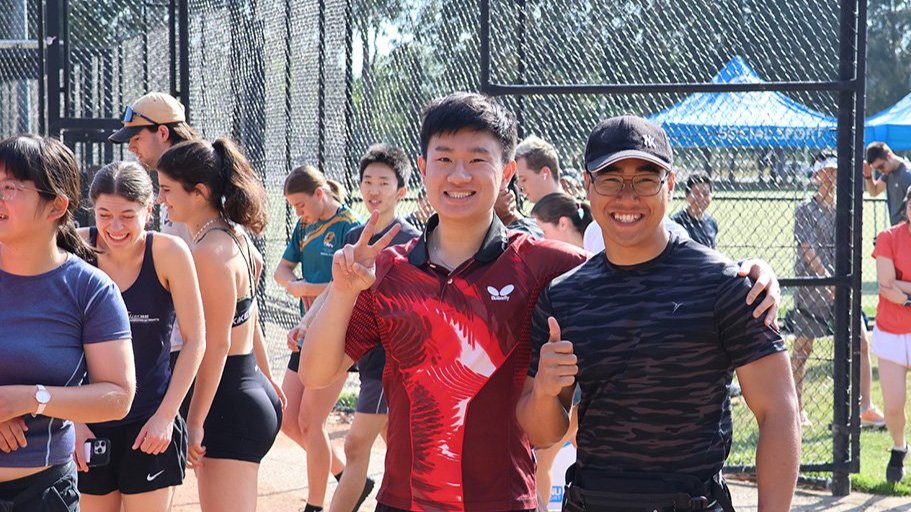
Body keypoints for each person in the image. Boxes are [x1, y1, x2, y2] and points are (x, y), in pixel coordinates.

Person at [299, 94, 781, 511]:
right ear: (423, 168)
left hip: (506, 500)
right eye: (443, 159)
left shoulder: (546, 265)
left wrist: (750, 271)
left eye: (478, 159)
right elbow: (318, 375)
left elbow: (629, 257)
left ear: (508, 172)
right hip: (404, 500)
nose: (459, 174)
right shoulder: (388, 269)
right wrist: (342, 291)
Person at [518, 116, 800, 512]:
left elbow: (779, 411)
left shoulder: (728, 285)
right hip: (592, 500)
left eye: (645, 180)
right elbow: (542, 433)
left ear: (669, 184)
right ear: (587, 185)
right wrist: (546, 392)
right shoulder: (564, 296)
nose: (627, 197)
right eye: (611, 180)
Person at [0, 134, 135, 510]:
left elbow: (118, 397)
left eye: (9, 187)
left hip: (44, 493)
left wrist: (29, 399)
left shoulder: (90, 289)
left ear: (56, 205)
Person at [289, 144, 421, 512]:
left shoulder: (413, 241)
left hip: (391, 361)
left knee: (356, 446)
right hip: (365, 357)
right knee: (400, 451)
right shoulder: (354, 236)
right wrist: (306, 323)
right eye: (368, 181)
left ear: (401, 190)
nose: (374, 190)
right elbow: (336, 289)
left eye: (384, 182)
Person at [156, 138, 283, 512]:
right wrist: (266, 376)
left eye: (167, 190)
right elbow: (249, 316)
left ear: (199, 192)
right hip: (245, 387)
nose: (161, 199)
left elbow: (217, 344)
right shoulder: (233, 234)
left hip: (227, 403)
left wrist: (195, 422)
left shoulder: (208, 252)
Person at [73, 162, 205, 512]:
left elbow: (196, 339)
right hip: (89, 421)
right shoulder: (76, 249)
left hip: (149, 420)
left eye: (127, 216)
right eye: (104, 215)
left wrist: (166, 416)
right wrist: (73, 421)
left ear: (149, 210)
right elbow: (56, 340)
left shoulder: (169, 253)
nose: (115, 227)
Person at [273, 165, 359, 512]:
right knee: (287, 417)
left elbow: (348, 284)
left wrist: (307, 288)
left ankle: (315, 505)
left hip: (338, 333)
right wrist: (295, 285)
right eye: (293, 206)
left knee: (311, 422)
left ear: (320, 194)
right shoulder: (305, 225)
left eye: (300, 204)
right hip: (307, 329)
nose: (298, 212)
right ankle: (349, 477)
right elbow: (281, 271)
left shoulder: (349, 226)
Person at [108, 91, 202, 401]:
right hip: (181, 343)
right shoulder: (172, 182)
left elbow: (240, 262)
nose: (130, 147)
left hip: (196, 349)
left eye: (136, 137)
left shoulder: (194, 184)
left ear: (163, 132)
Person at [792, 155, 884, 428]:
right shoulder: (805, 209)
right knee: (803, 348)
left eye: (834, 171)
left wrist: (842, 281)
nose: (831, 177)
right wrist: (828, 280)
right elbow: (807, 248)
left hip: (842, 287)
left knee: (862, 342)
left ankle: (865, 407)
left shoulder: (845, 209)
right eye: (826, 172)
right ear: (815, 176)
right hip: (812, 287)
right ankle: (796, 409)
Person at [871, 187, 911, 483]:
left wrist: (903, 292)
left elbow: (895, 286)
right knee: (894, 405)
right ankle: (899, 448)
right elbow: (885, 285)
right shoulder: (888, 237)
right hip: (890, 330)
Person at [864, 141, 911, 226]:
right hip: (897, 228)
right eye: (876, 169)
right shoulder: (888, 173)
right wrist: (868, 176)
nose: (880, 170)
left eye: (881, 166)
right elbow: (874, 191)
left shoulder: (906, 174)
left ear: (889, 156)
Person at [670, 172, 718, 248]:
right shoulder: (676, 222)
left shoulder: (712, 223)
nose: (701, 198)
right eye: (696, 193)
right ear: (687, 195)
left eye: (706, 194)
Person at [515, 135, 563, 203]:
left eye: (524, 179)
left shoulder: (566, 209)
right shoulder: (547, 208)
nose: (519, 187)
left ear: (545, 173)